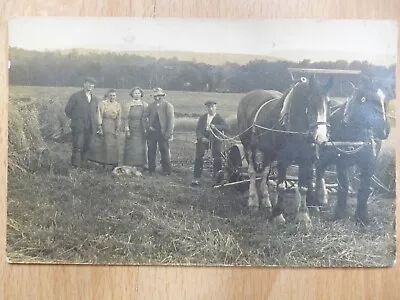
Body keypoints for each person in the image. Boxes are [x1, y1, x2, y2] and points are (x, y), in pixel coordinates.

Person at [191, 100, 230, 186]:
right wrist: (201, 138)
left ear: (215, 107)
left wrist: (216, 126)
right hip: (204, 139)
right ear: (206, 108)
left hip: (215, 139)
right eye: (209, 107)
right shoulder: (203, 117)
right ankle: (196, 178)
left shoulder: (219, 118)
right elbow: (198, 129)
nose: (211, 109)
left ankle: (217, 177)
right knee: (199, 156)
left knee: (217, 156)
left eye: (212, 107)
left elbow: (227, 127)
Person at [64, 76, 99, 168]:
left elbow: (95, 111)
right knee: (78, 145)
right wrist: (77, 119)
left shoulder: (94, 98)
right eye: (88, 83)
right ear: (84, 84)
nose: (90, 86)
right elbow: (68, 110)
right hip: (79, 125)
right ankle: (75, 165)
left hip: (90, 126)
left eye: (92, 84)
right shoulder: (76, 96)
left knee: (87, 145)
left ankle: (84, 164)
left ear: (94, 86)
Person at [88, 89, 121, 169]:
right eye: (110, 95)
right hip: (105, 124)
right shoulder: (103, 104)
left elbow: (119, 117)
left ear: (116, 96)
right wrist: (99, 126)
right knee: (105, 143)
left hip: (113, 125)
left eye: (113, 96)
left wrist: (117, 128)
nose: (112, 97)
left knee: (113, 144)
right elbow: (99, 115)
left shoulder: (117, 105)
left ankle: (113, 162)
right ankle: (103, 162)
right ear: (107, 96)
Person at [147, 87, 175, 175]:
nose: (156, 97)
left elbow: (171, 121)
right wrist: (148, 126)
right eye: (155, 96)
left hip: (163, 132)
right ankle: (151, 169)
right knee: (151, 150)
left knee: (164, 150)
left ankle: (167, 170)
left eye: (158, 95)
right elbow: (145, 117)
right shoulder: (151, 106)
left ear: (162, 95)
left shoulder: (168, 105)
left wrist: (168, 133)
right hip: (152, 132)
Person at [123, 87, 149, 170]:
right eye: (135, 93)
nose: (137, 95)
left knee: (141, 145)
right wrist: (127, 128)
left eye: (138, 93)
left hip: (141, 127)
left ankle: (141, 164)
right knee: (131, 145)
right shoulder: (128, 105)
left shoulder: (145, 105)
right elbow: (125, 118)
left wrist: (146, 128)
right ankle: (130, 163)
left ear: (141, 94)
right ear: (132, 94)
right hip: (131, 126)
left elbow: (146, 117)